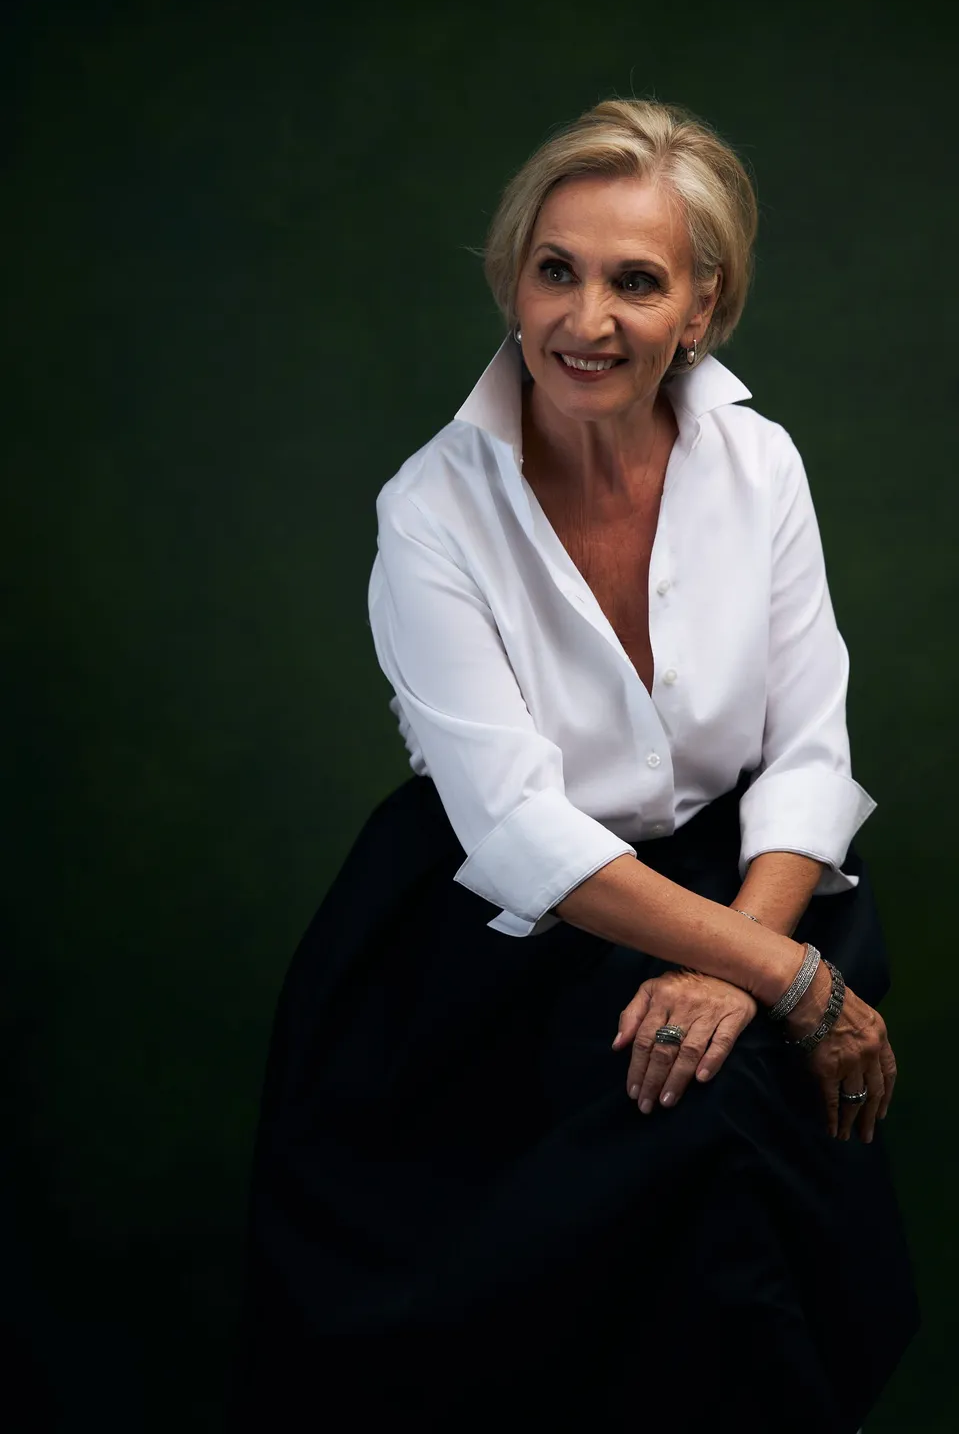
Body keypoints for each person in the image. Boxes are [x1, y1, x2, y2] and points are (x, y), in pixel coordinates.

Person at [232, 98, 920, 1433]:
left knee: (735, 1213)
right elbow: (514, 828)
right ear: (511, 278)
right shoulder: (429, 507)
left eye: (634, 280)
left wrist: (735, 959)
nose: (584, 318)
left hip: (746, 885)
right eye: (556, 269)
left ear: (702, 308)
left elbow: (807, 745)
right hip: (495, 944)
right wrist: (783, 979)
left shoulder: (759, 464)